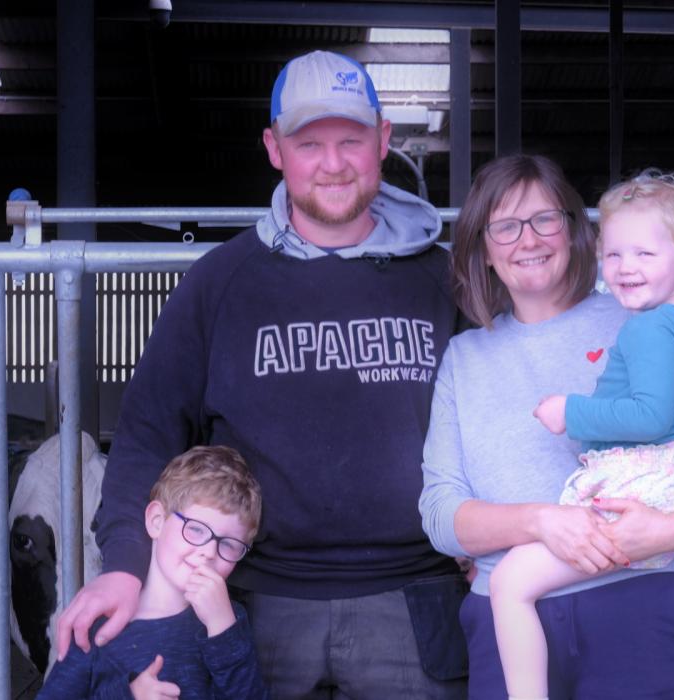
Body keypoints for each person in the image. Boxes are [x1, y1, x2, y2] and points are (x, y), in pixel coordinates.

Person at [56, 50, 468, 698]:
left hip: (415, 600)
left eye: (351, 140)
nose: (332, 164)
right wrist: (125, 566)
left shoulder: (444, 281)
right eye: (310, 143)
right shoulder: (219, 284)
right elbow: (145, 434)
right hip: (250, 606)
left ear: (383, 140)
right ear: (275, 149)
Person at [419, 154, 674, 700]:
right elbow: (442, 515)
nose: (528, 239)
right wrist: (543, 522)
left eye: (545, 219)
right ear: (484, 250)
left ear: (574, 231)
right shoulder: (464, 358)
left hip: (641, 605)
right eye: (505, 226)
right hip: (509, 618)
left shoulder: (645, 318)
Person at [38, 446, 268, 699]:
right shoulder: (98, 625)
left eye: (229, 544)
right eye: (196, 529)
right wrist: (128, 695)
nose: (210, 552)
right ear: (157, 521)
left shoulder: (229, 620)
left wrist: (223, 630)